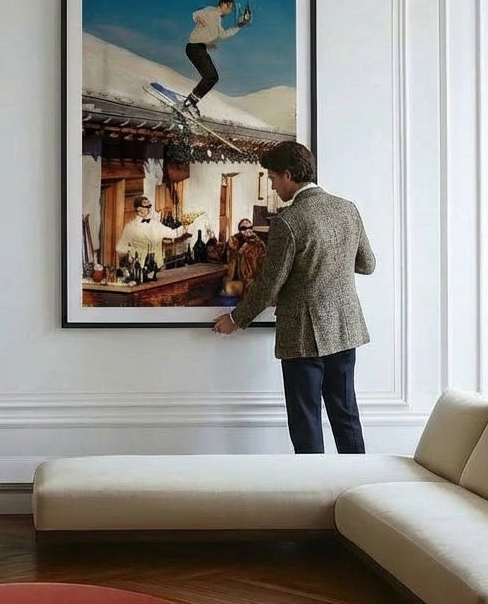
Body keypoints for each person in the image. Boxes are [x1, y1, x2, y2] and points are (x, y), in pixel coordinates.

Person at [213, 142, 376, 454]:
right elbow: (367, 264)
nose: (272, 185)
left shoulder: (289, 221)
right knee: (346, 414)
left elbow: (268, 285)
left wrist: (235, 319)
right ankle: (360, 484)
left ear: (288, 175)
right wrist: (333, 260)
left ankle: (312, 491)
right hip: (345, 329)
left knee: (305, 420)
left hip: (304, 334)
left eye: (273, 178)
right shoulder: (347, 209)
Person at [182, 0, 250, 118]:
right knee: (211, 76)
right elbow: (196, 13)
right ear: (224, 4)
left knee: (213, 77)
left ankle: (191, 102)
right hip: (194, 48)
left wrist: (239, 26)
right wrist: (197, 18)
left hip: (199, 48)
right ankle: (190, 103)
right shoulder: (212, 11)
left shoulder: (218, 19)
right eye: (230, 8)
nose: (230, 11)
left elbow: (223, 35)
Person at [115, 195, 184, 271]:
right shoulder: (130, 227)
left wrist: (185, 226)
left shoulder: (155, 224)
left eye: (149, 206)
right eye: (146, 207)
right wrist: (133, 251)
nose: (148, 209)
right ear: (138, 208)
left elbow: (173, 233)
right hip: (140, 267)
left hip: (158, 266)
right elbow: (119, 248)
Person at [225, 218, 266, 296]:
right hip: (233, 278)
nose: (247, 230)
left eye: (250, 228)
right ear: (240, 229)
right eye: (244, 228)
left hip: (251, 279)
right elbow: (224, 257)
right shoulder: (233, 242)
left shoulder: (258, 245)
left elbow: (264, 263)